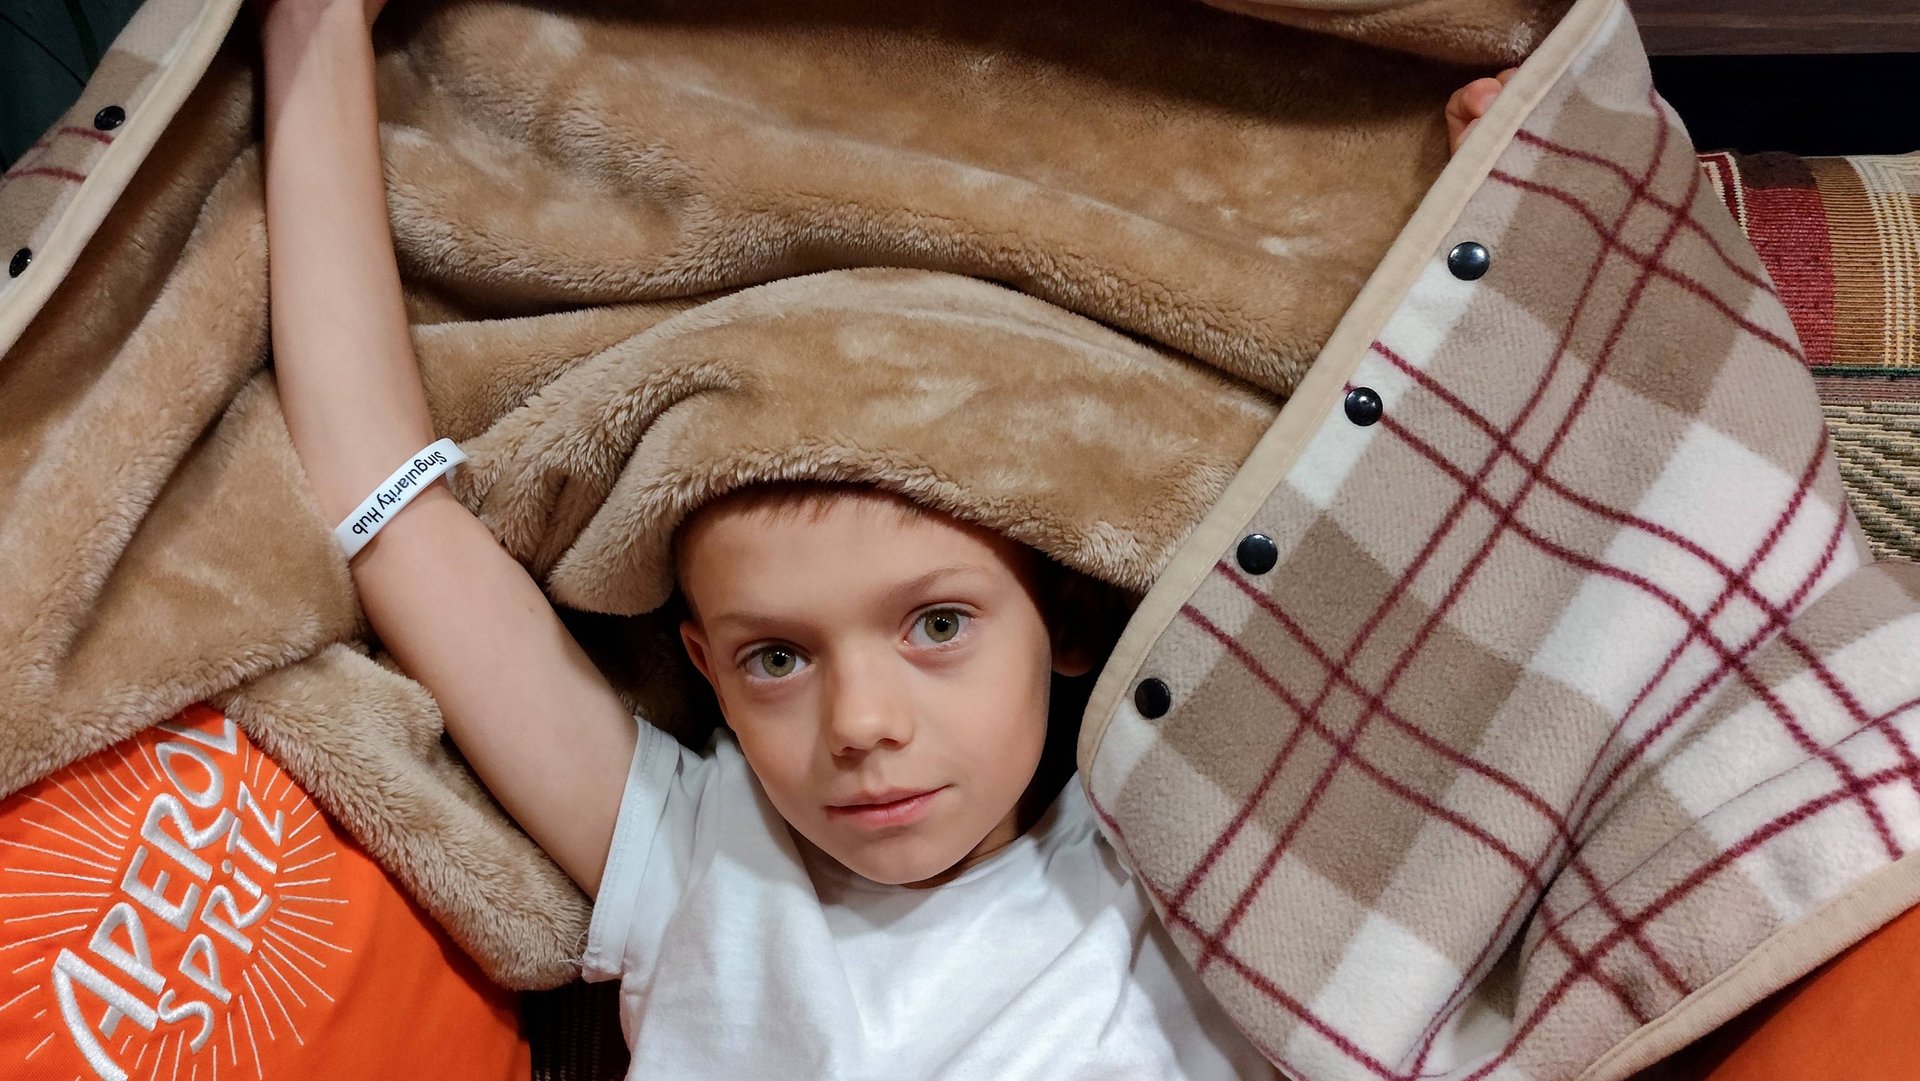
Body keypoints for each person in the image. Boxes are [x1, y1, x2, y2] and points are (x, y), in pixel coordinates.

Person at [258, 0, 1516, 1074]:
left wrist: (1516, 232)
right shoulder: (705, 865)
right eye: (775, 659)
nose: (860, 725)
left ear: (1067, 622)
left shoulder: (1170, 860)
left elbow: (1471, 570)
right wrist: (311, 28)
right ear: (704, 667)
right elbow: (393, 513)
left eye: (938, 624)